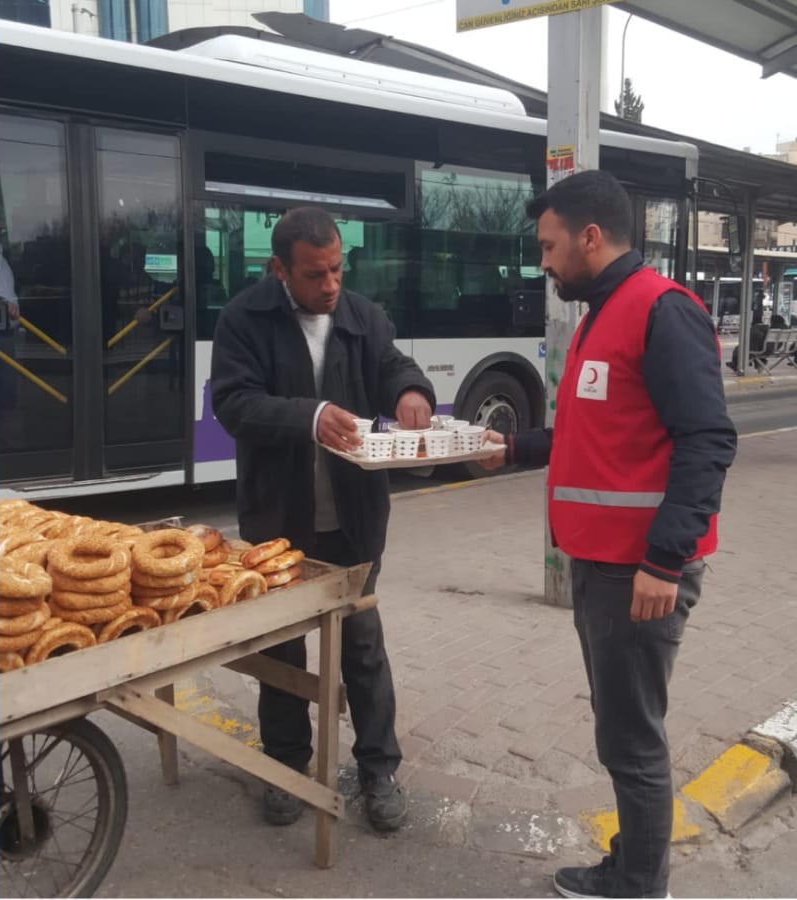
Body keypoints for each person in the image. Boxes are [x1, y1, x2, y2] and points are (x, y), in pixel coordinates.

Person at [481, 170, 735, 899]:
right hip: (605, 565)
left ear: (591, 237)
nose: (544, 262)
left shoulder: (662, 311)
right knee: (621, 729)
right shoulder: (605, 311)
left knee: (631, 739)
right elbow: (598, 433)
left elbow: (707, 440)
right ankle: (631, 863)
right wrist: (515, 450)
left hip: (639, 573)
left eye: (551, 246)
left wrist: (664, 558)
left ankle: (637, 884)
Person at [210, 205, 435, 833]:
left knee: (362, 647)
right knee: (283, 649)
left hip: (354, 519)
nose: (330, 284)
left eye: (337, 268)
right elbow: (232, 404)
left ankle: (378, 771)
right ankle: (286, 767)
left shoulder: (364, 316)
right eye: (315, 274)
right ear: (280, 269)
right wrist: (308, 416)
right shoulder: (243, 319)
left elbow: (393, 365)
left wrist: (411, 391)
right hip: (279, 518)